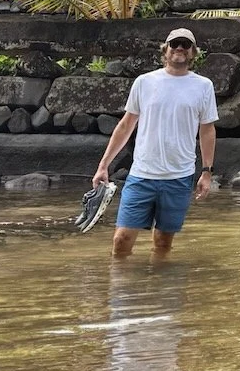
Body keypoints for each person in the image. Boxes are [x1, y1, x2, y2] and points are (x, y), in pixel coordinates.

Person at [92, 27, 217, 258]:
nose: (180, 47)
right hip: (141, 175)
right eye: (174, 43)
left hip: (179, 177)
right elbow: (126, 125)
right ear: (165, 50)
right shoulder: (144, 82)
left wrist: (207, 172)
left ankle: (160, 291)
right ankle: (120, 292)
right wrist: (103, 166)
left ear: (193, 53)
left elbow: (207, 129)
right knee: (121, 240)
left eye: (185, 44)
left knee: (162, 243)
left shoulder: (203, 86)